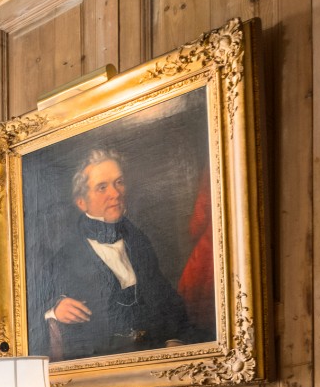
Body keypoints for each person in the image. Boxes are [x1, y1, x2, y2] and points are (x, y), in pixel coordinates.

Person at [26, 148, 196, 361]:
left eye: (119, 182)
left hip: (155, 359)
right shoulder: (64, 257)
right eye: (102, 187)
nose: (115, 193)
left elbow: (164, 297)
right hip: (102, 366)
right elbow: (28, 307)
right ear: (82, 202)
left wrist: (174, 339)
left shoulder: (140, 240)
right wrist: (53, 310)